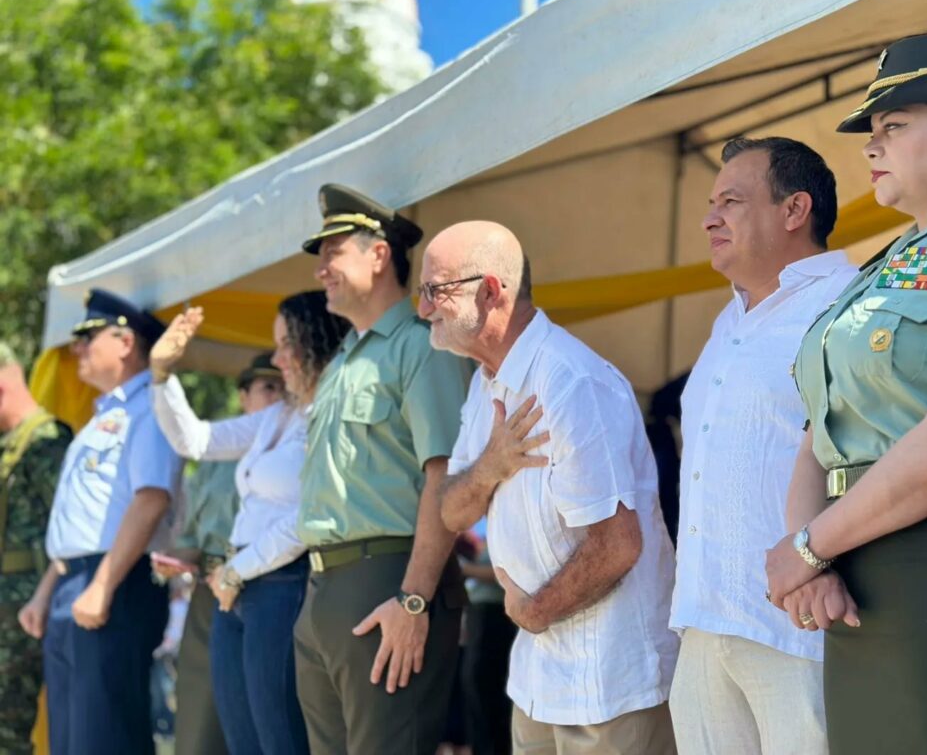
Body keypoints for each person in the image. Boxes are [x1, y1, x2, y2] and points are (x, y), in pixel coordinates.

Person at [765, 33, 927, 753]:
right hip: (852, 567)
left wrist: (812, 545)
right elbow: (822, 427)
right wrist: (807, 553)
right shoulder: (885, 264)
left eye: (894, 127)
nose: (871, 148)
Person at [422, 221, 679, 754]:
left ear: (490, 291)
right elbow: (449, 511)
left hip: (610, 681)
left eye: (435, 290)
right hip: (538, 679)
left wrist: (533, 612)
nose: (423, 308)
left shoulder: (572, 380)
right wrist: (491, 465)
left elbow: (617, 545)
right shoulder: (485, 380)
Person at [667, 136, 858, 754]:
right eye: (711, 202)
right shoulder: (729, 321)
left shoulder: (847, 303)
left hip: (799, 631)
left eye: (732, 200)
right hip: (704, 623)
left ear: (794, 210)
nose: (708, 218)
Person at [293, 185, 472, 755]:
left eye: (332, 252)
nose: (321, 269)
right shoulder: (346, 358)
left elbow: (445, 478)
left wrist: (414, 599)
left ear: (378, 255)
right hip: (325, 586)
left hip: (390, 579)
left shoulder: (420, 347)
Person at [150, 292, 349, 755]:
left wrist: (238, 570)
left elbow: (309, 518)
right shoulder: (277, 416)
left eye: (286, 344)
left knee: (280, 739)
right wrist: (161, 375)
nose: (277, 358)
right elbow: (195, 440)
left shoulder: (333, 412)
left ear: (317, 342)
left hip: (282, 584)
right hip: (237, 588)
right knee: (244, 741)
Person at [41, 289, 182, 755]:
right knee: (71, 739)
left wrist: (101, 586)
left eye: (89, 336)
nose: (79, 348)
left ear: (124, 342)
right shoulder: (104, 416)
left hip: (114, 580)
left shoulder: (150, 408)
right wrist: (47, 593)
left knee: (103, 738)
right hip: (75, 581)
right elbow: (78, 520)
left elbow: (150, 499)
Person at [152, 352, 284, 755]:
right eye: (268, 387)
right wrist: (171, 558)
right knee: (200, 721)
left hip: (276, 587)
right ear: (243, 396)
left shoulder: (300, 442)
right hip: (212, 593)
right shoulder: (215, 454)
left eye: (283, 386)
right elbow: (193, 536)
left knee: (269, 716)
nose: (279, 396)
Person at [0, 343, 73, 754]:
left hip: (25, 611)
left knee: (8, 732)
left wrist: (43, 596)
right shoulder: (10, 443)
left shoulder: (46, 441)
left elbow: (71, 531)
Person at [458, 518, 516, 755]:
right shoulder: (483, 526)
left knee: (487, 690)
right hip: (478, 613)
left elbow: (508, 572)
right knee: (475, 689)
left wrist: (465, 570)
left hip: (496, 615)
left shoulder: (505, 524)